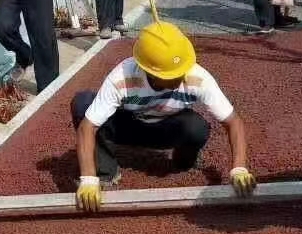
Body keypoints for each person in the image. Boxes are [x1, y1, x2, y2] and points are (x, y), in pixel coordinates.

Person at [70, 21, 255, 212]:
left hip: (167, 128)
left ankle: (183, 162)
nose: (179, 78)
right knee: (83, 104)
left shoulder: (197, 77)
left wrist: (239, 168)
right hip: (128, 126)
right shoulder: (122, 77)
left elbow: (233, 122)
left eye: (180, 71)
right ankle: (105, 172)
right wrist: (88, 178)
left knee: (197, 128)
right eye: (171, 75)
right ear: (148, 70)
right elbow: (87, 127)